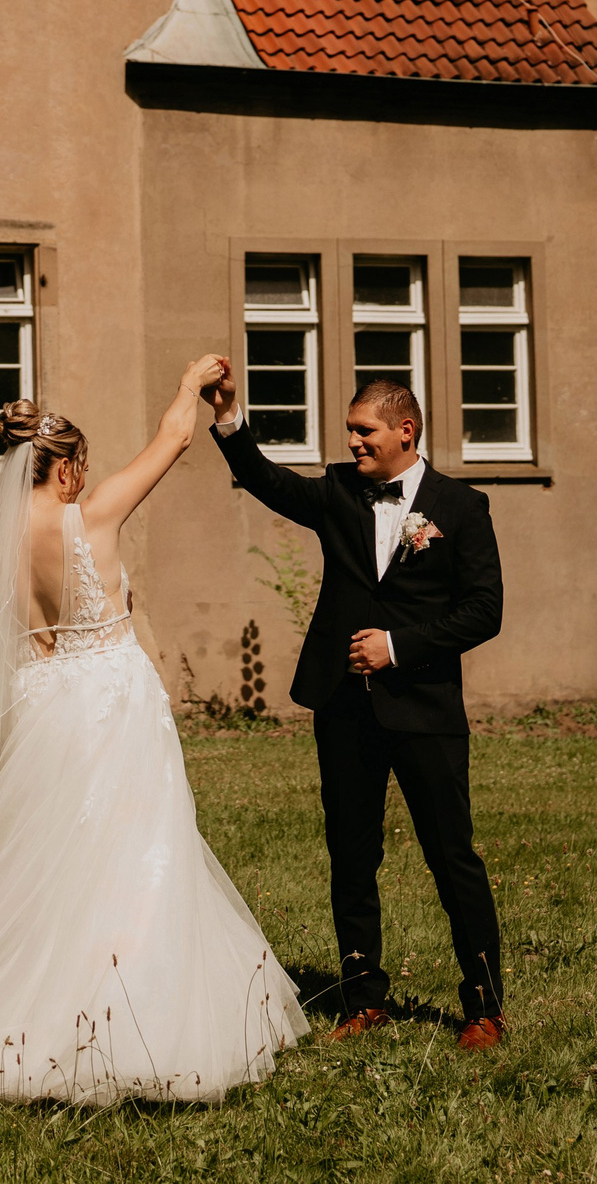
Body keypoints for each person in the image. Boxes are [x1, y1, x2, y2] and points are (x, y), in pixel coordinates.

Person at [0, 360, 309, 1104]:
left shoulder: (6, 537)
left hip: (49, 702)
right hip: (114, 699)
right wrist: (190, 384)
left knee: (51, 855)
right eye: (80, 467)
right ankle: (135, 1019)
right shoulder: (91, 516)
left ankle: (23, 1012)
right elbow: (172, 440)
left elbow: (32, 640)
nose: (85, 479)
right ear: (65, 470)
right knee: (142, 849)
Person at [202, 370, 508, 1049]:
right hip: (343, 707)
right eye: (350, 431)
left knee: (450, 855)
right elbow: (267, 480)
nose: (352, 441)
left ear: (406, 430)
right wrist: (228, 419)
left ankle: (485, 1006)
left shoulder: (461, 507)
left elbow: (484, 611)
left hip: (425, 709)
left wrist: (399, 647)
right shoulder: (340, 491)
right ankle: (364, 997)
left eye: (363, 430)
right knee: (351, 854)